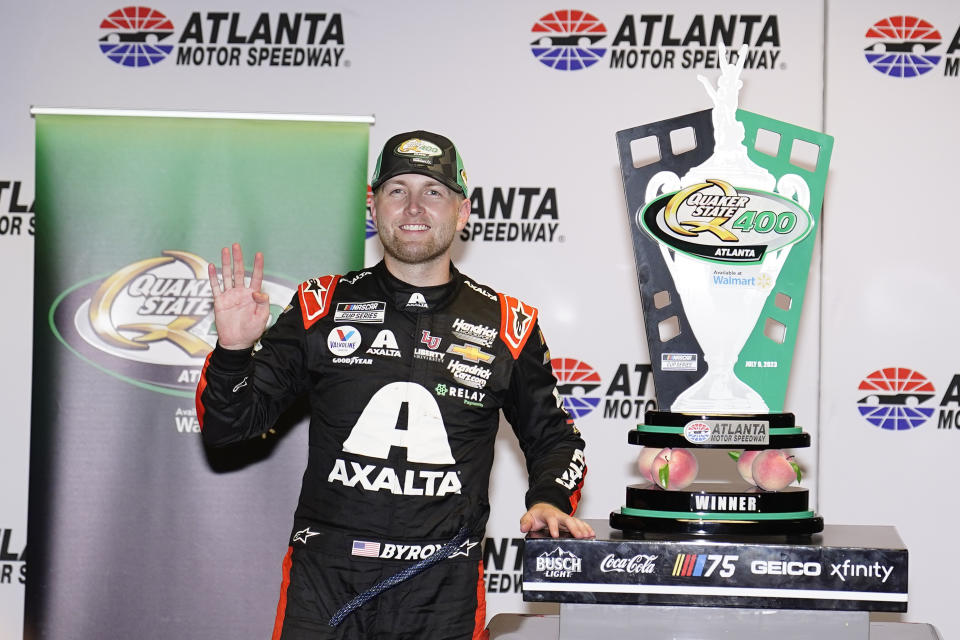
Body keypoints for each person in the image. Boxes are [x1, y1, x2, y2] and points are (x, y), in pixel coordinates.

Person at [196, 130, 593, 640]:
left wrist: (550, 500)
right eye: (397, 189)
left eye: (433, 191)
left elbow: (556, 439)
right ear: (374, 204)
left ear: (462, 211)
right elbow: (227, 429)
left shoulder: (507, 324)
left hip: (440, 589)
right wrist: (232, 352)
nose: (413, 207)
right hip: (325, 580)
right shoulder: (321, 304)